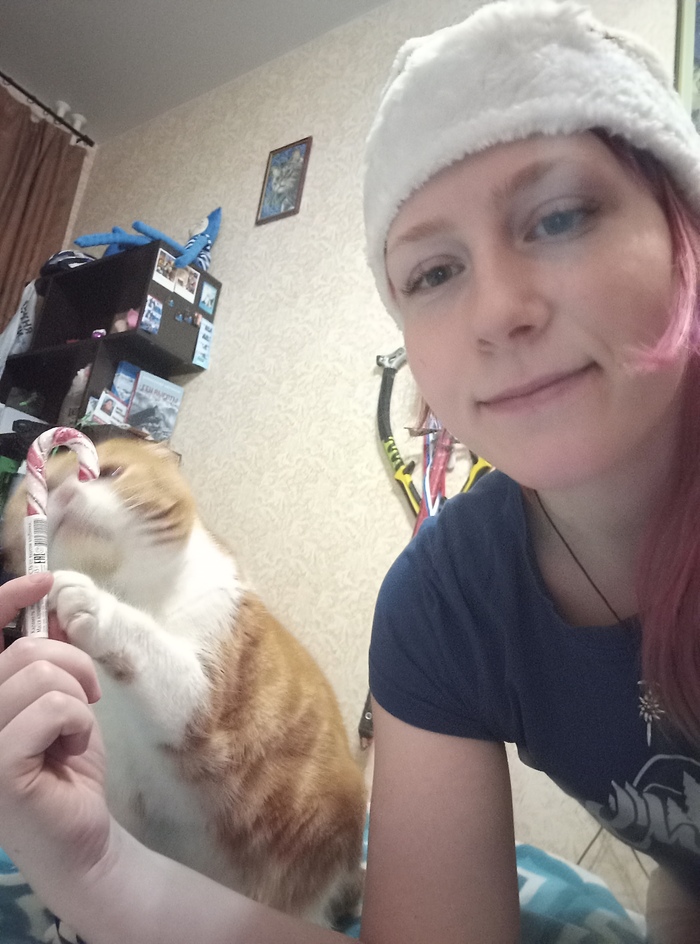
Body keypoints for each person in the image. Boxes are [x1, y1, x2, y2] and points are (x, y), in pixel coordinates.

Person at [0, 2, 698, 942]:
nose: (499, 310)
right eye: (433, 273)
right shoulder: (440, 603)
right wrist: (92, 865)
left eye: (562, 215)